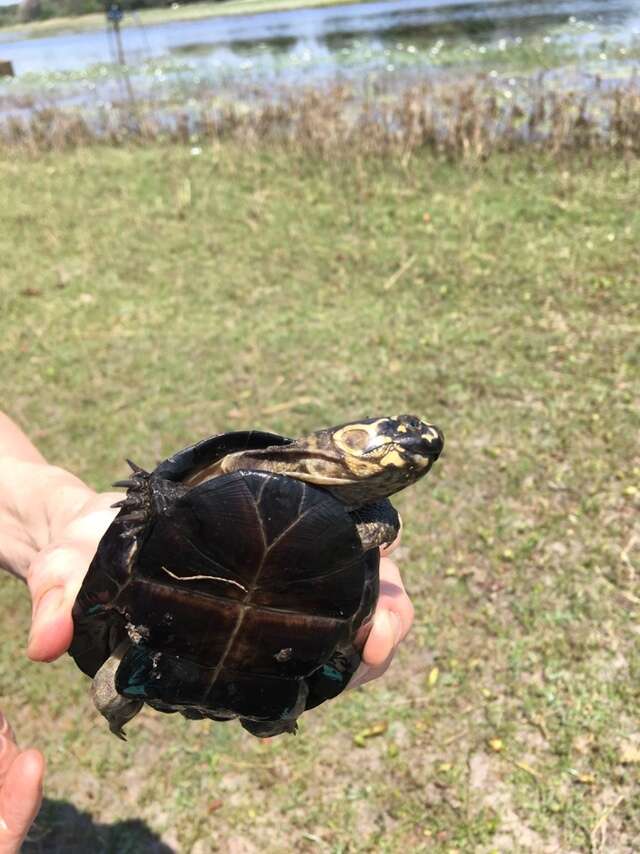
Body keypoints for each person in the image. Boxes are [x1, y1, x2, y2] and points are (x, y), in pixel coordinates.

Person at [0, 411, 414, 853]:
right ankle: (269, 709)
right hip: (259, 672)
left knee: (116, 681)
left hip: (237, 652)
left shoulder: (363, 516)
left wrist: (64, 513)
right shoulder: (252, 470)